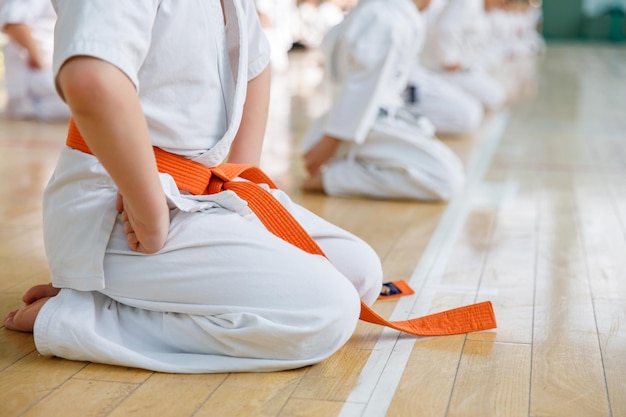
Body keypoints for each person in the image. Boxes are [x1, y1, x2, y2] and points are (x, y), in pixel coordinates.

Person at [3, 0, 383, 373]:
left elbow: (255, 66)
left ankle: (125, 294)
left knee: (359, 274)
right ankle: (78, 318)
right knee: (325, 312)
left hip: (204, 191)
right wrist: (149, 213)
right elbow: (92, 78)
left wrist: (237, 180)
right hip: (121, 205)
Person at [301, 0, 466, 200]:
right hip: (360, 127)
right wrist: (328, 144)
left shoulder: (389, 11)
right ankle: (336, 177)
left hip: (370, 120)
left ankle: (352, 163)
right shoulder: (385, 17)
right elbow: (359, 90)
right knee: (447, 180)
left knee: (453, 167)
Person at [419, 0, 507, 111]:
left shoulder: (480, 7)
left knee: (495, 92)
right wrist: (449, 59)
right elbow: (446, 27)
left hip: (462, 65)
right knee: (493, 97)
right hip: (443, 67)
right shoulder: (467, 2)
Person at [0, 0, 70, 120]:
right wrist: (40, 62)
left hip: (53, 70)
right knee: (94, 104)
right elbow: (14, 22)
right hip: (36, 76)